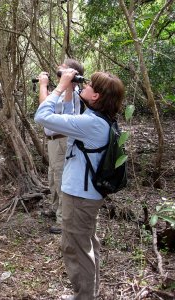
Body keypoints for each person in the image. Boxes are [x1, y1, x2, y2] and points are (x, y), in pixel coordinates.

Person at [34, 70, 125, 299]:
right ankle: (88, 293)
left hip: (80, 196)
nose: (85, 85)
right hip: (87, 194)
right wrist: (69, 89)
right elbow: (69, 114)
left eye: (90, 85)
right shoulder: (101, 119)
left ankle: (84, 296)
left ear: (96, 97)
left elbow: (42, 117)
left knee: (75, 248)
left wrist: (58, 87)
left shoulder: (91, 123)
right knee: (87, 244)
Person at [38, 59, 84, 235]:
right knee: (53, 175)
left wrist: (43, 85)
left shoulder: (71, 90)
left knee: (60, 178)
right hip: (54, 140)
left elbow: (44, 106)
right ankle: (55, 208)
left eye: (63, 67)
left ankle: (62, 219)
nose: (59, 67)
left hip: (62, 140)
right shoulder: (64, 89)